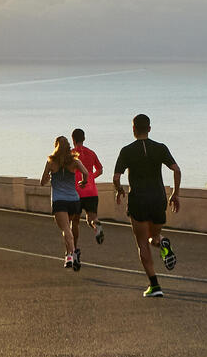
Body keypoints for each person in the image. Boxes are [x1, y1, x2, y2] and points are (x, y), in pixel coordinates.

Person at [112, 113, 181, 297]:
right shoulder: (160, 148)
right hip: (158, 199)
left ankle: (155, 286)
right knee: (153, 235)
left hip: (138, 200)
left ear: (133, 129)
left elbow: (116, 177)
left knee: (142, 242)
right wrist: (176, 193)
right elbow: (176, 169)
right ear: (149, 128)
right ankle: (162, 242)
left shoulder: (126, 151)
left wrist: (119, 190)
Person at [41, 135, 91, 271]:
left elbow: (43, 181)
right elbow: (86, 173)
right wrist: (83, 182)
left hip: (59, 201)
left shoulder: (51, 162)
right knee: (70, 227)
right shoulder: (74, 161)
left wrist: (50, 176)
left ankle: (71, 255)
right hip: (74, 201)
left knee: (66, 230)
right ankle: (69, 253)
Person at [71, 128, 105, 244]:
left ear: (73, 139)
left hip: (76, 191)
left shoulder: (71, 154)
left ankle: (74, 248)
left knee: (74, 221)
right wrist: (91, 177)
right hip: (91, 192)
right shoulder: (91, 153)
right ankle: (96, 226)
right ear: (84, 138)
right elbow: (100, 170)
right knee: (91, 218)